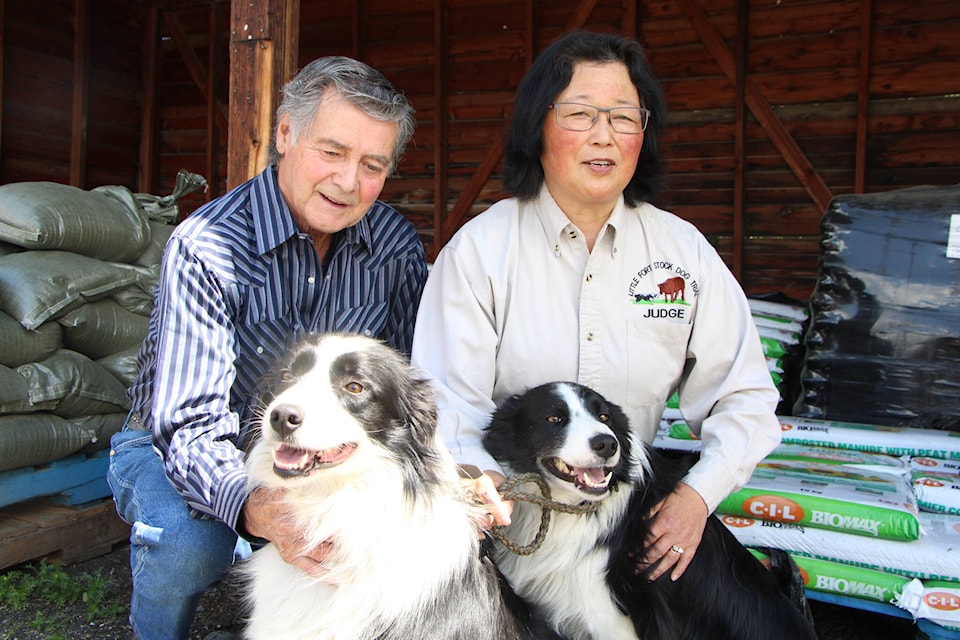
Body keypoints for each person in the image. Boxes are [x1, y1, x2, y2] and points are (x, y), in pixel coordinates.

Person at [410, 30, 781, 584]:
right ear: (539, 126)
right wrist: (489, 508)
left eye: (624, 118)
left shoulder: (683, 254)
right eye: (580, 114)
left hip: (626, 526)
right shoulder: (478, 252)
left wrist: (695, 499)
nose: (604, 137)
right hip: (508, 529)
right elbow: (447, 405)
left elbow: (746, 397)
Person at [107, 56, 426, 640]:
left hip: (315, 445)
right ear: (285, 134)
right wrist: (259, 512)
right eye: (331, 152)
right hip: (180, 441)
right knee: (189, 544)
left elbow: (401, 393)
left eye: (372, 164)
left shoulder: (396, 247)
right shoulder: (206, 247)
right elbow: (187, 422)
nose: (348, 182)